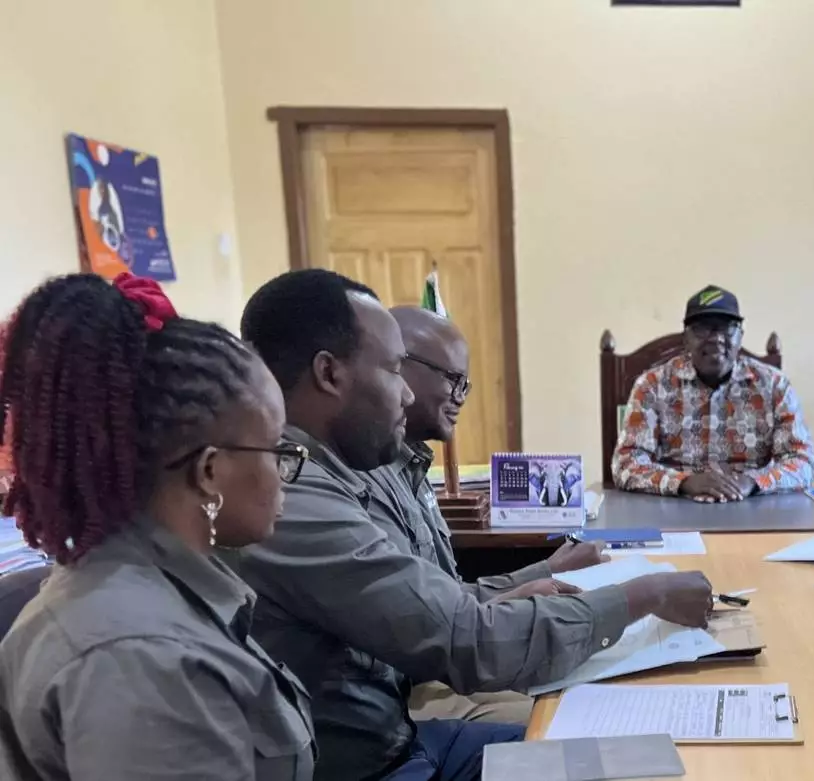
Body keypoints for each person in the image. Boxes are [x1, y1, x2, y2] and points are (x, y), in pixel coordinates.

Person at [232, 270, 714, 781]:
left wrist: (543, 578)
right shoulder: (294, 497)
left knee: (634, 752)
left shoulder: (333, 472)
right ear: (329, 373)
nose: (407, 395)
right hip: (378, 767)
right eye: (394, 369)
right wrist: (642, 596)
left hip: (401, 741)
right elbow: (466, 640)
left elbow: (435, 603)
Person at [0, 273, 314, 780]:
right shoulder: (142, 657)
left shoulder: (152, 587)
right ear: (209, 471)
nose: (285, 474)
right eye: (277, 448)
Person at [391, 305, 602, 726]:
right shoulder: (357, 480)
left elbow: (448, 598)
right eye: (452, 379)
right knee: (571, 718)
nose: (460, 397)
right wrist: (633, 601)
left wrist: (544, 570)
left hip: (438, 669)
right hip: (409, 695)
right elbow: (441, 635)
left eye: (465, 384)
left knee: (588, 688)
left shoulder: (409, 467)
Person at [612, 284, 814, 502]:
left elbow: (803, 462)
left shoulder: (774, 386)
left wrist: (753, 482)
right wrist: (684, 482)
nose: (716, 338)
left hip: (751, 505)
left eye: (727, 328)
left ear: (740, 337)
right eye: (703, 328)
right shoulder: (652, 386)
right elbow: (625, 464)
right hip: (674, 505)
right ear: (685, 338)